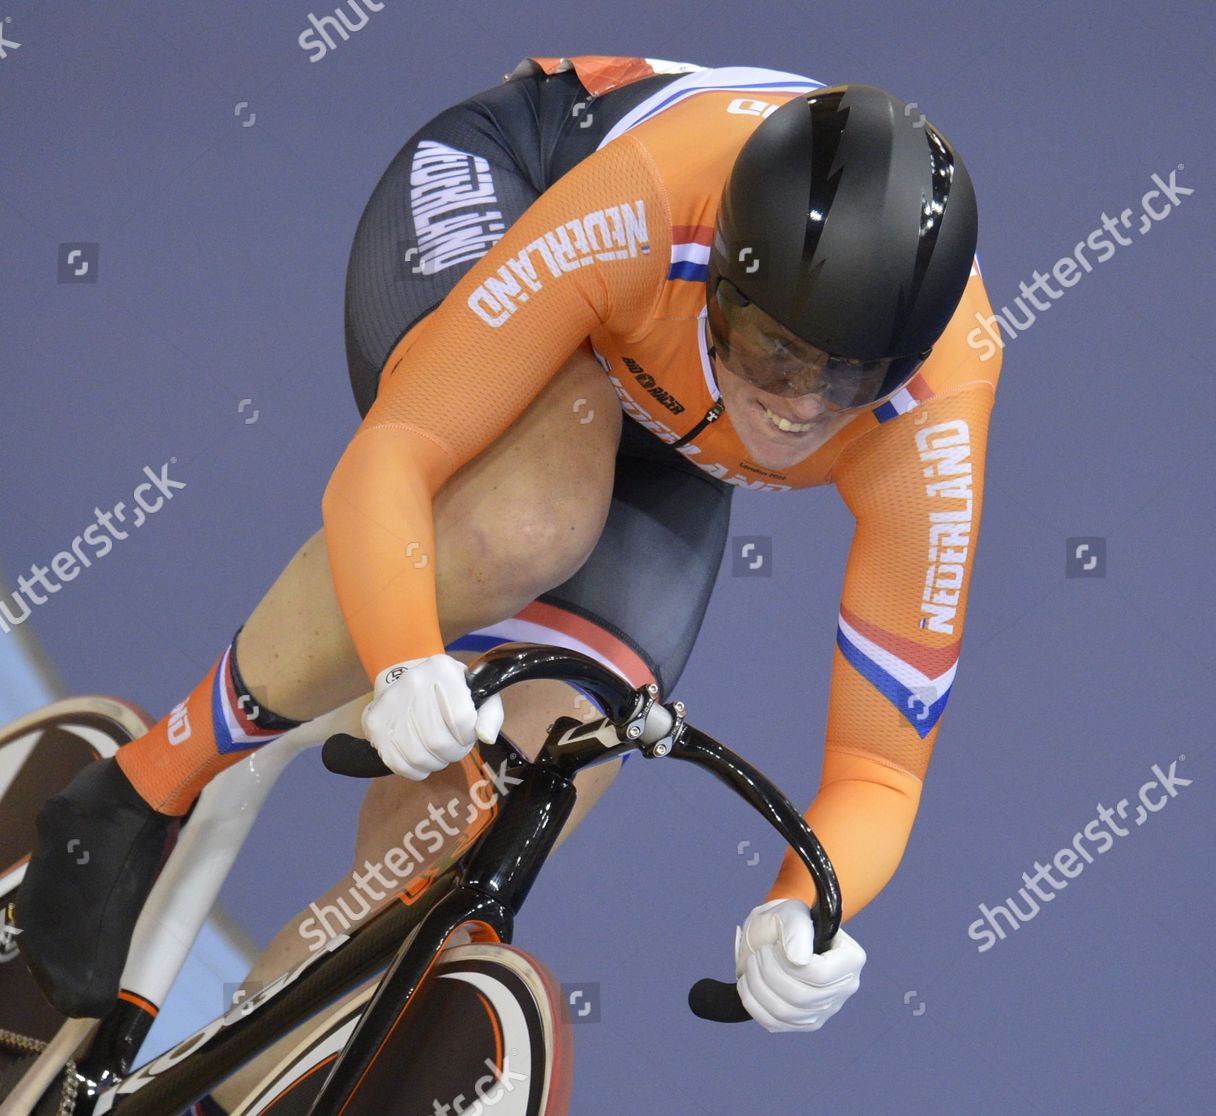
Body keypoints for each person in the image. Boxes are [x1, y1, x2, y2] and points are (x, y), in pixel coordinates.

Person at [17, 55, 1001, 1054]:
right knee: (533, 518)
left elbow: (882, 766)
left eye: (846, 381)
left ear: (906, 362)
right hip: (525, 185)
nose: (797, 409)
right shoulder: (649, 205)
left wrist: (805, 906)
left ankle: (249, 1063)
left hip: (659, 396)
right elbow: (391, 458)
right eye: (774, 356)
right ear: (723, 277)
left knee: (520, 793)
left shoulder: (937, 408)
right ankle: (141, 786)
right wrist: (403, 654)